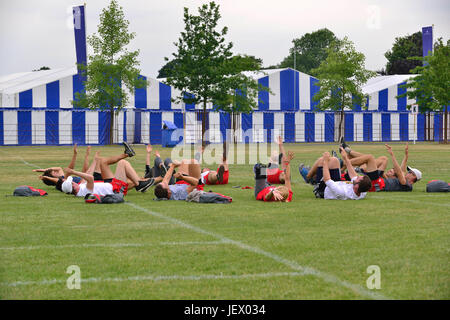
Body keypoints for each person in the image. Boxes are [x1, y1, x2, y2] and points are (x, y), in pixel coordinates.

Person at [58, 151, 155, 197]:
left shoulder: (79, 189)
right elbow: (90, 178)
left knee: (103, 162)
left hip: (110, 185)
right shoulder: (83, 191)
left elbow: (88, 174)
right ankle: (139, 184)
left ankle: (126, 154)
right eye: (72, 183)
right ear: (73, 188)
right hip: (116, 189)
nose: (74, 182)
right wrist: (73, 172)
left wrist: (95, 161)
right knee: (122, 163)